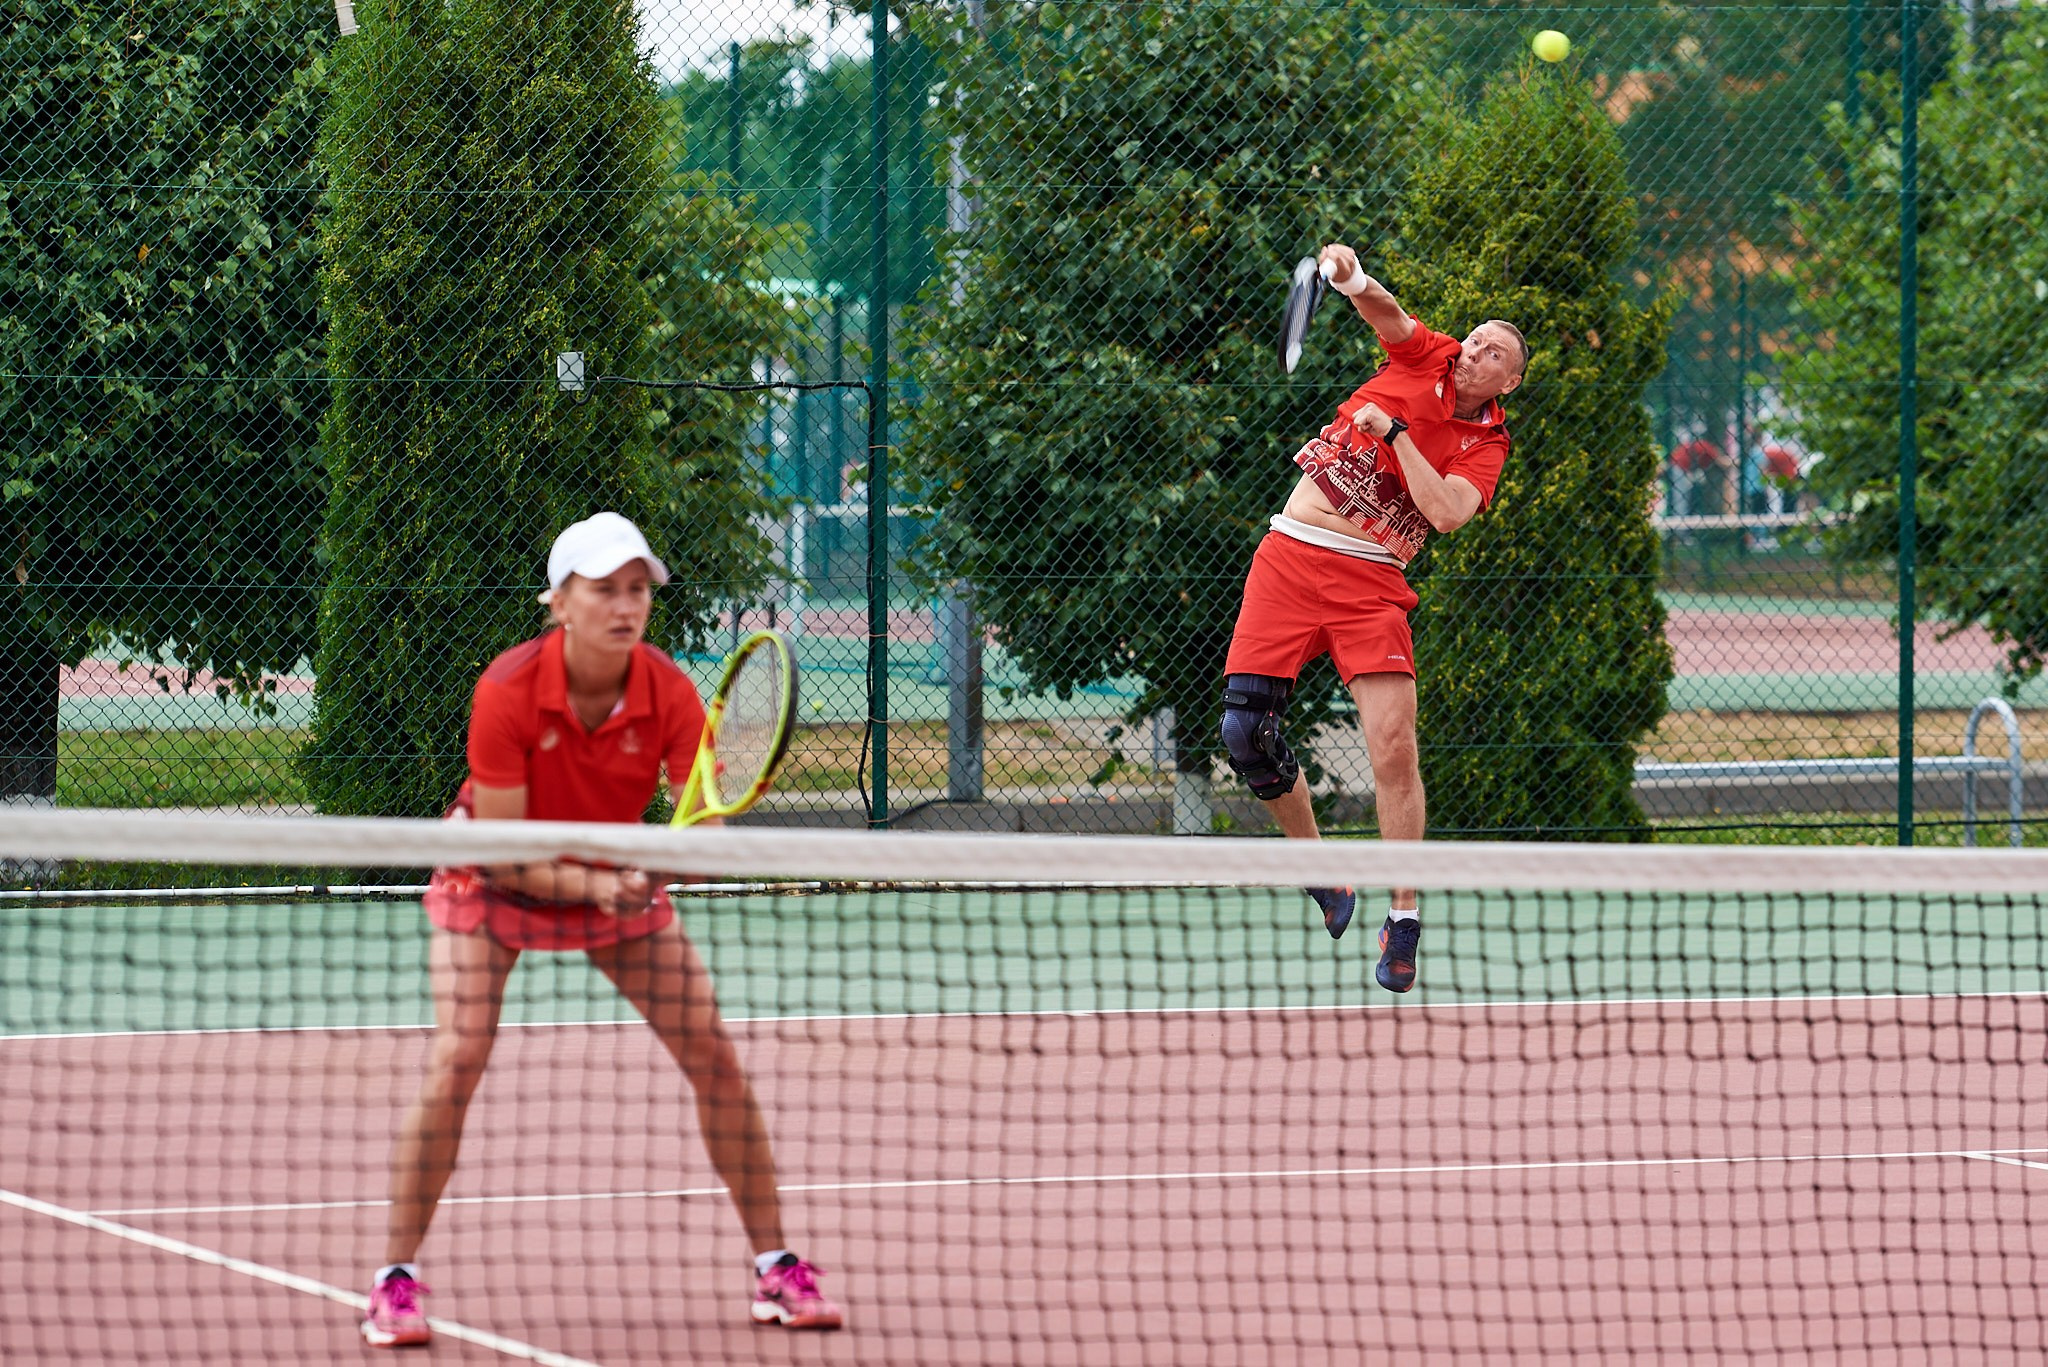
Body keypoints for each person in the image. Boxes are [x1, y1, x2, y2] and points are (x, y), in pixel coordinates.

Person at [361, 512, 843, 1347]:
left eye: (637, 590)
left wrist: (669, 863)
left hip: (613, 884)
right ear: (559, 603)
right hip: (497, 874)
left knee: (713, 1054)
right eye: (604, 590)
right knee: (458, 1054)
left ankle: (777, 1264)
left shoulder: (669, 692)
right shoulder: (507, 690)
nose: (625, 606)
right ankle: (393, 1281)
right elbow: (508, 854)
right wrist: (599, 881)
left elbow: (707, 835)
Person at [1218, 244, 1524, 994]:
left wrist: (1397, 437)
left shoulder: (1487, 442)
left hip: (1373, 581)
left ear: (1508, 382)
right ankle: (1323, 870)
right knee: (1245, 733)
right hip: (1291, 555)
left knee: (1393, 747)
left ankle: (1404, 916)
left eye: (1493, 352)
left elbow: (1448, 511)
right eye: (1476, 337)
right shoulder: (1431, 354)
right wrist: (1350, 277)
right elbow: (1386, 313)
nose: (1475, 349)